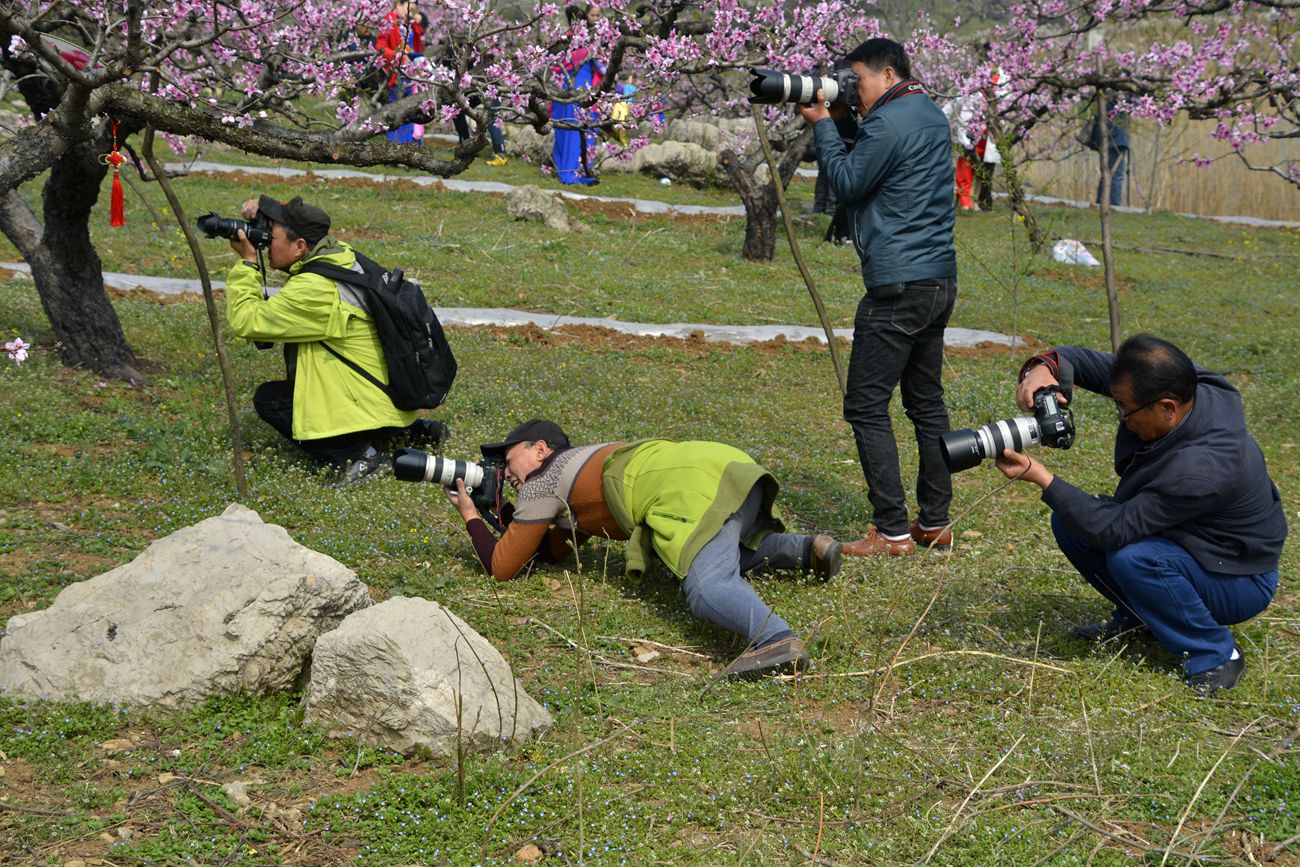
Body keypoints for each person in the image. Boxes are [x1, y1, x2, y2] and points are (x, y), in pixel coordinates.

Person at [997, 335, 1286, 694]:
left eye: (1124, 408)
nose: (1121, 416)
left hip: (1239, 577)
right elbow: (1087, 362)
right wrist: (1045, 367)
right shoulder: (1191, 386)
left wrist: (1041, 477)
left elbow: (1112, 530)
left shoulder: (1201, 469)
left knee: (1134, 558)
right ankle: (1140, 618)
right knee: (1072, 521)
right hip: (1190, 538)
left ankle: (1215, 653)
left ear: (1167, 408)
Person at [444, 420, 844, 679]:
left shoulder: (543, 482)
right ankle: (806, 550)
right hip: (727, 465)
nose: (506, 472)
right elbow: (553, 552)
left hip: (689, 490)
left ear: (541, 450)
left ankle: (776, 639)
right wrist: (505, 516)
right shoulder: (581, 469)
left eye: (509, 459)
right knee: (721, 549)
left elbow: (502, 567)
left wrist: (469, 516)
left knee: (706, 587)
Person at [797, 38, 958, 557]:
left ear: (887, 75)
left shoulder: (888, 122)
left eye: (857, 80)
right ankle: (935, 522)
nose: (854, 89)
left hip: (897, 286)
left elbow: (847, 181)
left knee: (866, 405)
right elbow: (880, 166)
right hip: (936, 280)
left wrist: (823, 123)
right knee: (925, 404)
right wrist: (845, 116)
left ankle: (890, 531)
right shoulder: (926, 112)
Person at [225, 194, 446, 484]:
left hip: (368, 402)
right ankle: (409, 432)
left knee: (272, 400)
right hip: (389, 398)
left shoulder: (316, 289)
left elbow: (247, 320)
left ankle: (357, 456)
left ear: (301, 246)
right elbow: (304, 218)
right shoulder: (339, 254)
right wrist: (265, 210)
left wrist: (248, 263)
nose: (265, 242)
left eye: (271, 235)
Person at [549, 4, 602, 185]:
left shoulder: (568, 39)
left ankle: (577, 170)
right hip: (576, 90)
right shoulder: (575, 40)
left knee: (574, 130)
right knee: (574, 130)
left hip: (572, 90)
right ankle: (570, 173)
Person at [376, 0, 425, 144]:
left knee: (412, 109)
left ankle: (412, 145)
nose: (410, 11)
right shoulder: (389, 21)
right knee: (398, 109)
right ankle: (397, 146)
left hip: (410, 71)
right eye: (408, 7)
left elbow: (416, 43)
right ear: (398, 4)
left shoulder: (407, 22)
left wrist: (415, 22)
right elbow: (380, 47)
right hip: (396, 72)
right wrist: (398, 57)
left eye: (413, 9)